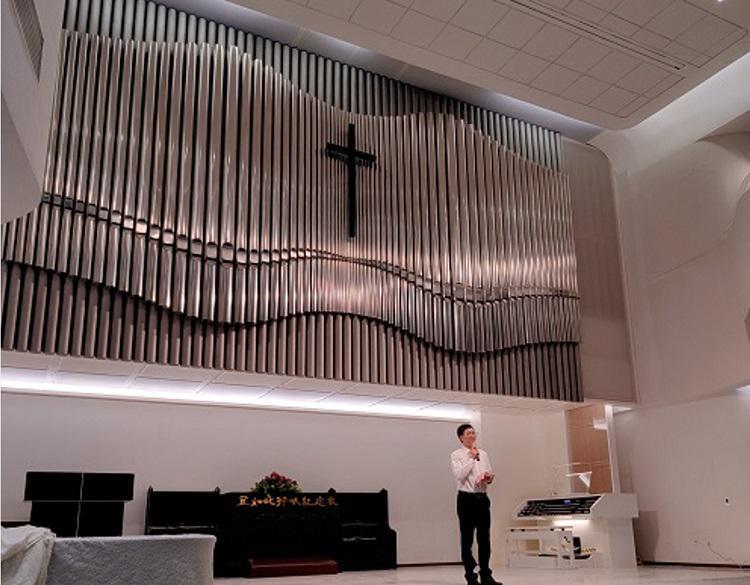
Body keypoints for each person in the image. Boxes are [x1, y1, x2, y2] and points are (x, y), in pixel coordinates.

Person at [451, 424, 500, 585]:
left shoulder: (483, 454)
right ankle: (470, 576)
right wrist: (471, 458)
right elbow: (460, 475)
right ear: (461, 437)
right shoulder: (456, 455)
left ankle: (486, 575)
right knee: (467, 538)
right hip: (466, 499)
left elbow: (489, 473)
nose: (473, 435)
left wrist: (488, 476)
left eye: (474, 432)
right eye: (469, 433)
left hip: (482, 498)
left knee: (484, 538)